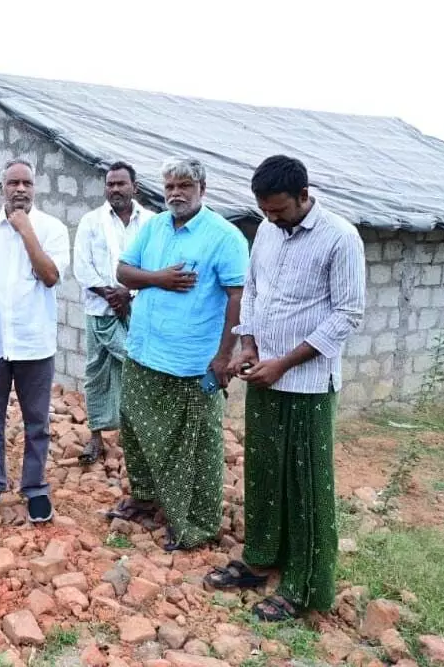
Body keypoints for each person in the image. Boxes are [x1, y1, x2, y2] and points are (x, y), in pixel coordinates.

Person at [206, 155, 365, 622]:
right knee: (263, 472)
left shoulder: (340, 238)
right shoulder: (268, 232)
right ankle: (259, 560)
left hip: (308, 384)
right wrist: (249, 344)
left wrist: (283, 364)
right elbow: (253, 290)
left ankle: (303, 584)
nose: (271, 219)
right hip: (265, 375)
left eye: (279, 210)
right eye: (264, 211)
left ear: (303, 195)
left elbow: (347, 315)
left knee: (306, 485)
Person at [114, 157, 248, 551]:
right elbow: (123, 272)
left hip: (192, 363)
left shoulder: (224, 237)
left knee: (195, 445)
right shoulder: (154, 227)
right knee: (137, 431)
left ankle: (196, 525)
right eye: (171, 186)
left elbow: (238, 296)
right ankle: (145, 499)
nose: (176, 193)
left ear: (202, 190)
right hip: (143, 351)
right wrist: (159, 279)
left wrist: (225, 356)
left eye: (185, 186)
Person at [0, 159, 70, 524]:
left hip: (34, 341)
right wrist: (1, 305)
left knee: (36, 422)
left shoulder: (52, 228)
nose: (20, 189)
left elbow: (50, 276)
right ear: (2, 188)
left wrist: (26, 230)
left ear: (35, 188)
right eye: (13, 183)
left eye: (27, 182)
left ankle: (35, 488)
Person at [72, 161, 148, 466]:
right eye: (110, 184)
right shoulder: (91, 222)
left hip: (140, 311)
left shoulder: (152, 222)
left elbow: (154, 265)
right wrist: (111, 294)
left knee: (139, 370)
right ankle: (96, 436)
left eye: (120, 183)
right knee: (96, 373)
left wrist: (129, 295)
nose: (114, 189)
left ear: (135, 187)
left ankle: (138, 435)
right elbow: (82, 266)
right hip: (100, 311)